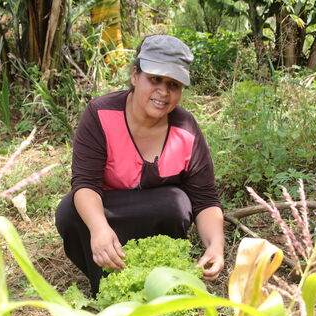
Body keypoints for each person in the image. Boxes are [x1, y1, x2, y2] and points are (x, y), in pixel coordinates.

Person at [55, 34, 225, 296]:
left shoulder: (186, 129)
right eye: (154, 79)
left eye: (173, 84)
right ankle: (106, 284)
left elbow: (205, 200)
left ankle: (161, 281)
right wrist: (99, 229)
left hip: (155, 218)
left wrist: (216, 244)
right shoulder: (101, 114)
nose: (163, 92)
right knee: (70, 211)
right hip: (108, 212)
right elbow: (85, 183)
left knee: (177, 203)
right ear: (135, 75)